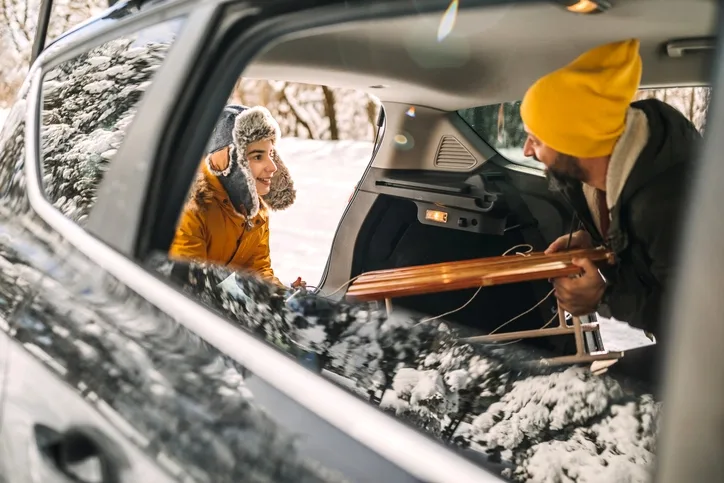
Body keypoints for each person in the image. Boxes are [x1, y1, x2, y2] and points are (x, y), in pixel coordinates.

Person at [519, 39, 701, 384]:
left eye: (537, 139)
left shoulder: (669, 205)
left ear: (577, 143)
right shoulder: (598, 173)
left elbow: (700, 322)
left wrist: (604, 295)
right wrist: (599, 239)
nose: (527, 150)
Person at [170, 104, 304, 288]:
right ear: (227, 161)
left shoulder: (256, 214)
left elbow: (258, 272)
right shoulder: (193, 210)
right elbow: (188, 288)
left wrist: (284, 299)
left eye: (271, 154)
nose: (272, 167)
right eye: (258, 157)